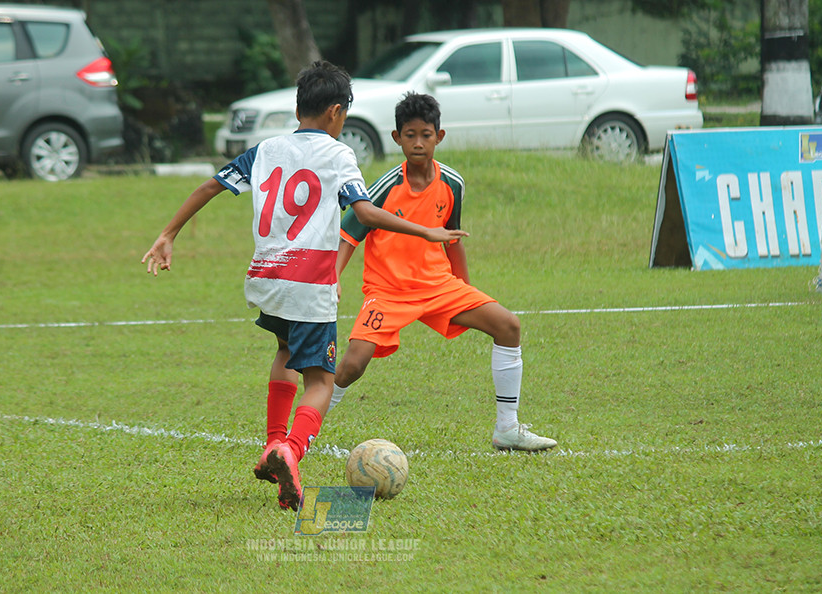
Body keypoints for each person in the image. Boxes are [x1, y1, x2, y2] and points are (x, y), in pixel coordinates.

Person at [142, 62, 466, 511]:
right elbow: (366, 213)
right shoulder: (338, 155)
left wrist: (168, 234)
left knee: (284, 353)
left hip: (266, 277)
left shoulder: (266, 149)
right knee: (321, 378)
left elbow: (210, 186)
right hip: (309, 281)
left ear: (299, 107)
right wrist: (427, 232)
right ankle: (290, 450)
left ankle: (274, 444)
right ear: (336, 112)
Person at [327, 92, 557, 452]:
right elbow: (349, 234)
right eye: (410, 135)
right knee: (354, 364)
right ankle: (304, 432)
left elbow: (453, 239)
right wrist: (334, 276)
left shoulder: (452, 183)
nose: (418, 143)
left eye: (426, 135)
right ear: (396, 138)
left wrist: (464, 288)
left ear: (440, 136)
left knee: (508, 325)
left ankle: (507, 429)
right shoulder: (385, 187)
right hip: (387, 292)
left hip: (438, 287)